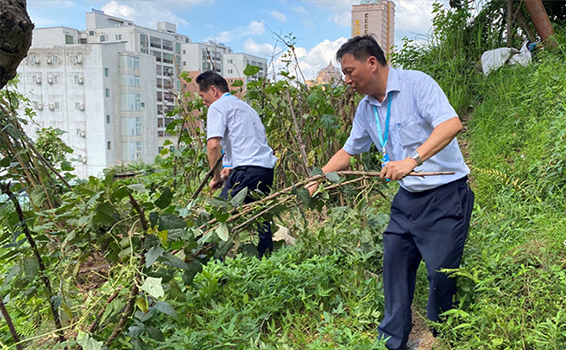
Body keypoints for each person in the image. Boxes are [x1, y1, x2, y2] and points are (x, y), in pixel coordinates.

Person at [307, 35, 474, 350]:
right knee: (395, 266)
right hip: (407, 199)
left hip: (446, 195)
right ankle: (393, 341)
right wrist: (319, 177)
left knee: (441, 274)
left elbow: (451, 125)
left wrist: (412, 160)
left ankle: (443, 336)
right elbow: (349, 151)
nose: (346, 79)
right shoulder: (366, 109)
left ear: (371, 63)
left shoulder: (417, 85)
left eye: (349, 70)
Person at [197, 71, 278, 258]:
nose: (203, 101)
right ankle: (266, 260)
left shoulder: (218, 107)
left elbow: (213, 145)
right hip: (265, 169)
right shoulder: (246, 108)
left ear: (213, 90)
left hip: (247, 170)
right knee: (259, 215)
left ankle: (213, 266)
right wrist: (229, 165)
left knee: (220, 217)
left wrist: (216, 177)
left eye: (203, 96)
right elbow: (246, 140)